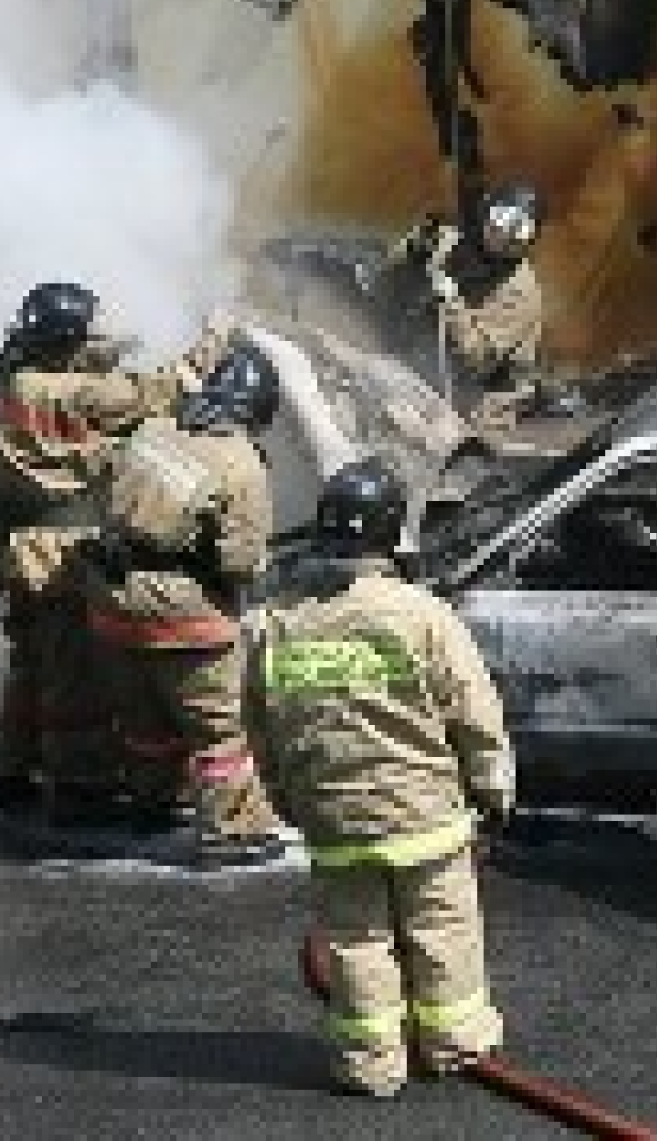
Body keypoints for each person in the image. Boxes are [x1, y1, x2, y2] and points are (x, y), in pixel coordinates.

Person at [247, 458, 511, 1099]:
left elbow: (261, 725)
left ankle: (370, 1061)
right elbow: (474, 714)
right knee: (440, 928)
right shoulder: (421, 616)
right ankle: (452, 1043)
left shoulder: (278, 624)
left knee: (356, 940)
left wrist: (286, 798)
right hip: (424, 816)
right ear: (392, 535)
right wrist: (493, 790)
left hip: (333, 819)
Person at [0, 282, 226, 825]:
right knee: (77, 673)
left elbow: (89, 371)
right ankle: (80, 787)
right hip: (60, 550)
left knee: (29, 667)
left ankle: (16, 774)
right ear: (68, 341)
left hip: (21, 546)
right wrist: (209, 344)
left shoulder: (14, 378)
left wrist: (116, 342)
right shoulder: (73, 396)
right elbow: (153, 392)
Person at [78, 342, 291, 861]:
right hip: (185, 618)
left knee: (146, 721)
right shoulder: (241, 462)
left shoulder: (153, 429)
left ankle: (151, 805)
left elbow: (102, 479)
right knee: (221, 727)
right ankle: (233, 829)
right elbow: (239, 560)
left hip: (111, 600)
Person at [385, 183, 545, 433]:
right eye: (497, 227)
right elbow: (388, 281)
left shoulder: (523, 294)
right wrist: (409, 254)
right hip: (418, 354)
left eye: (514, 235)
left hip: (476, 395)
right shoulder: (449, 240)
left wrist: (452, 300)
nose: (501, 238)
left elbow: (477, 356)